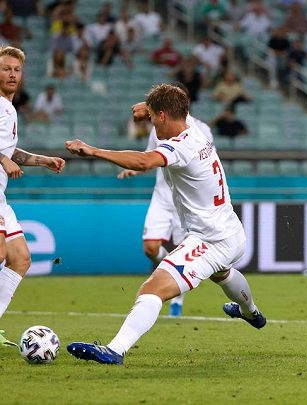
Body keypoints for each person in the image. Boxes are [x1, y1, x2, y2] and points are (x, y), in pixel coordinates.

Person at [65, 84, 265, 364]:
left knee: (152, 289)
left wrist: (93, 151)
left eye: (154, 117)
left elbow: (145, 161)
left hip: (209, 240)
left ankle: (115, 350)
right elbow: (175, 100)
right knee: (222, 273)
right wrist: (148, 108)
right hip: (231, 230)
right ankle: (251, 312)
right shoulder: (195, 130)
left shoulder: (181, 146)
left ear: (161, 116)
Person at [118, 88, 214, 317]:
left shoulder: (202, 131)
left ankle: (177, 301)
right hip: (162, 197)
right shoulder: (158, 126)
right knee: (150, 248)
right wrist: (135, 169)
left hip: (186, 203)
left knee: (184, 255)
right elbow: (150, 154)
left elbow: (208, 163)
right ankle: (165, 265)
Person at [0, 46, 66, 347]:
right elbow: (5, 156)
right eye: (6, 69)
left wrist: (43, 160)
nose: (12, 74)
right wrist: (2, 160)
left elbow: (11, 152)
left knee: (20, 259)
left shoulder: (8, 108)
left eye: (16, 69)